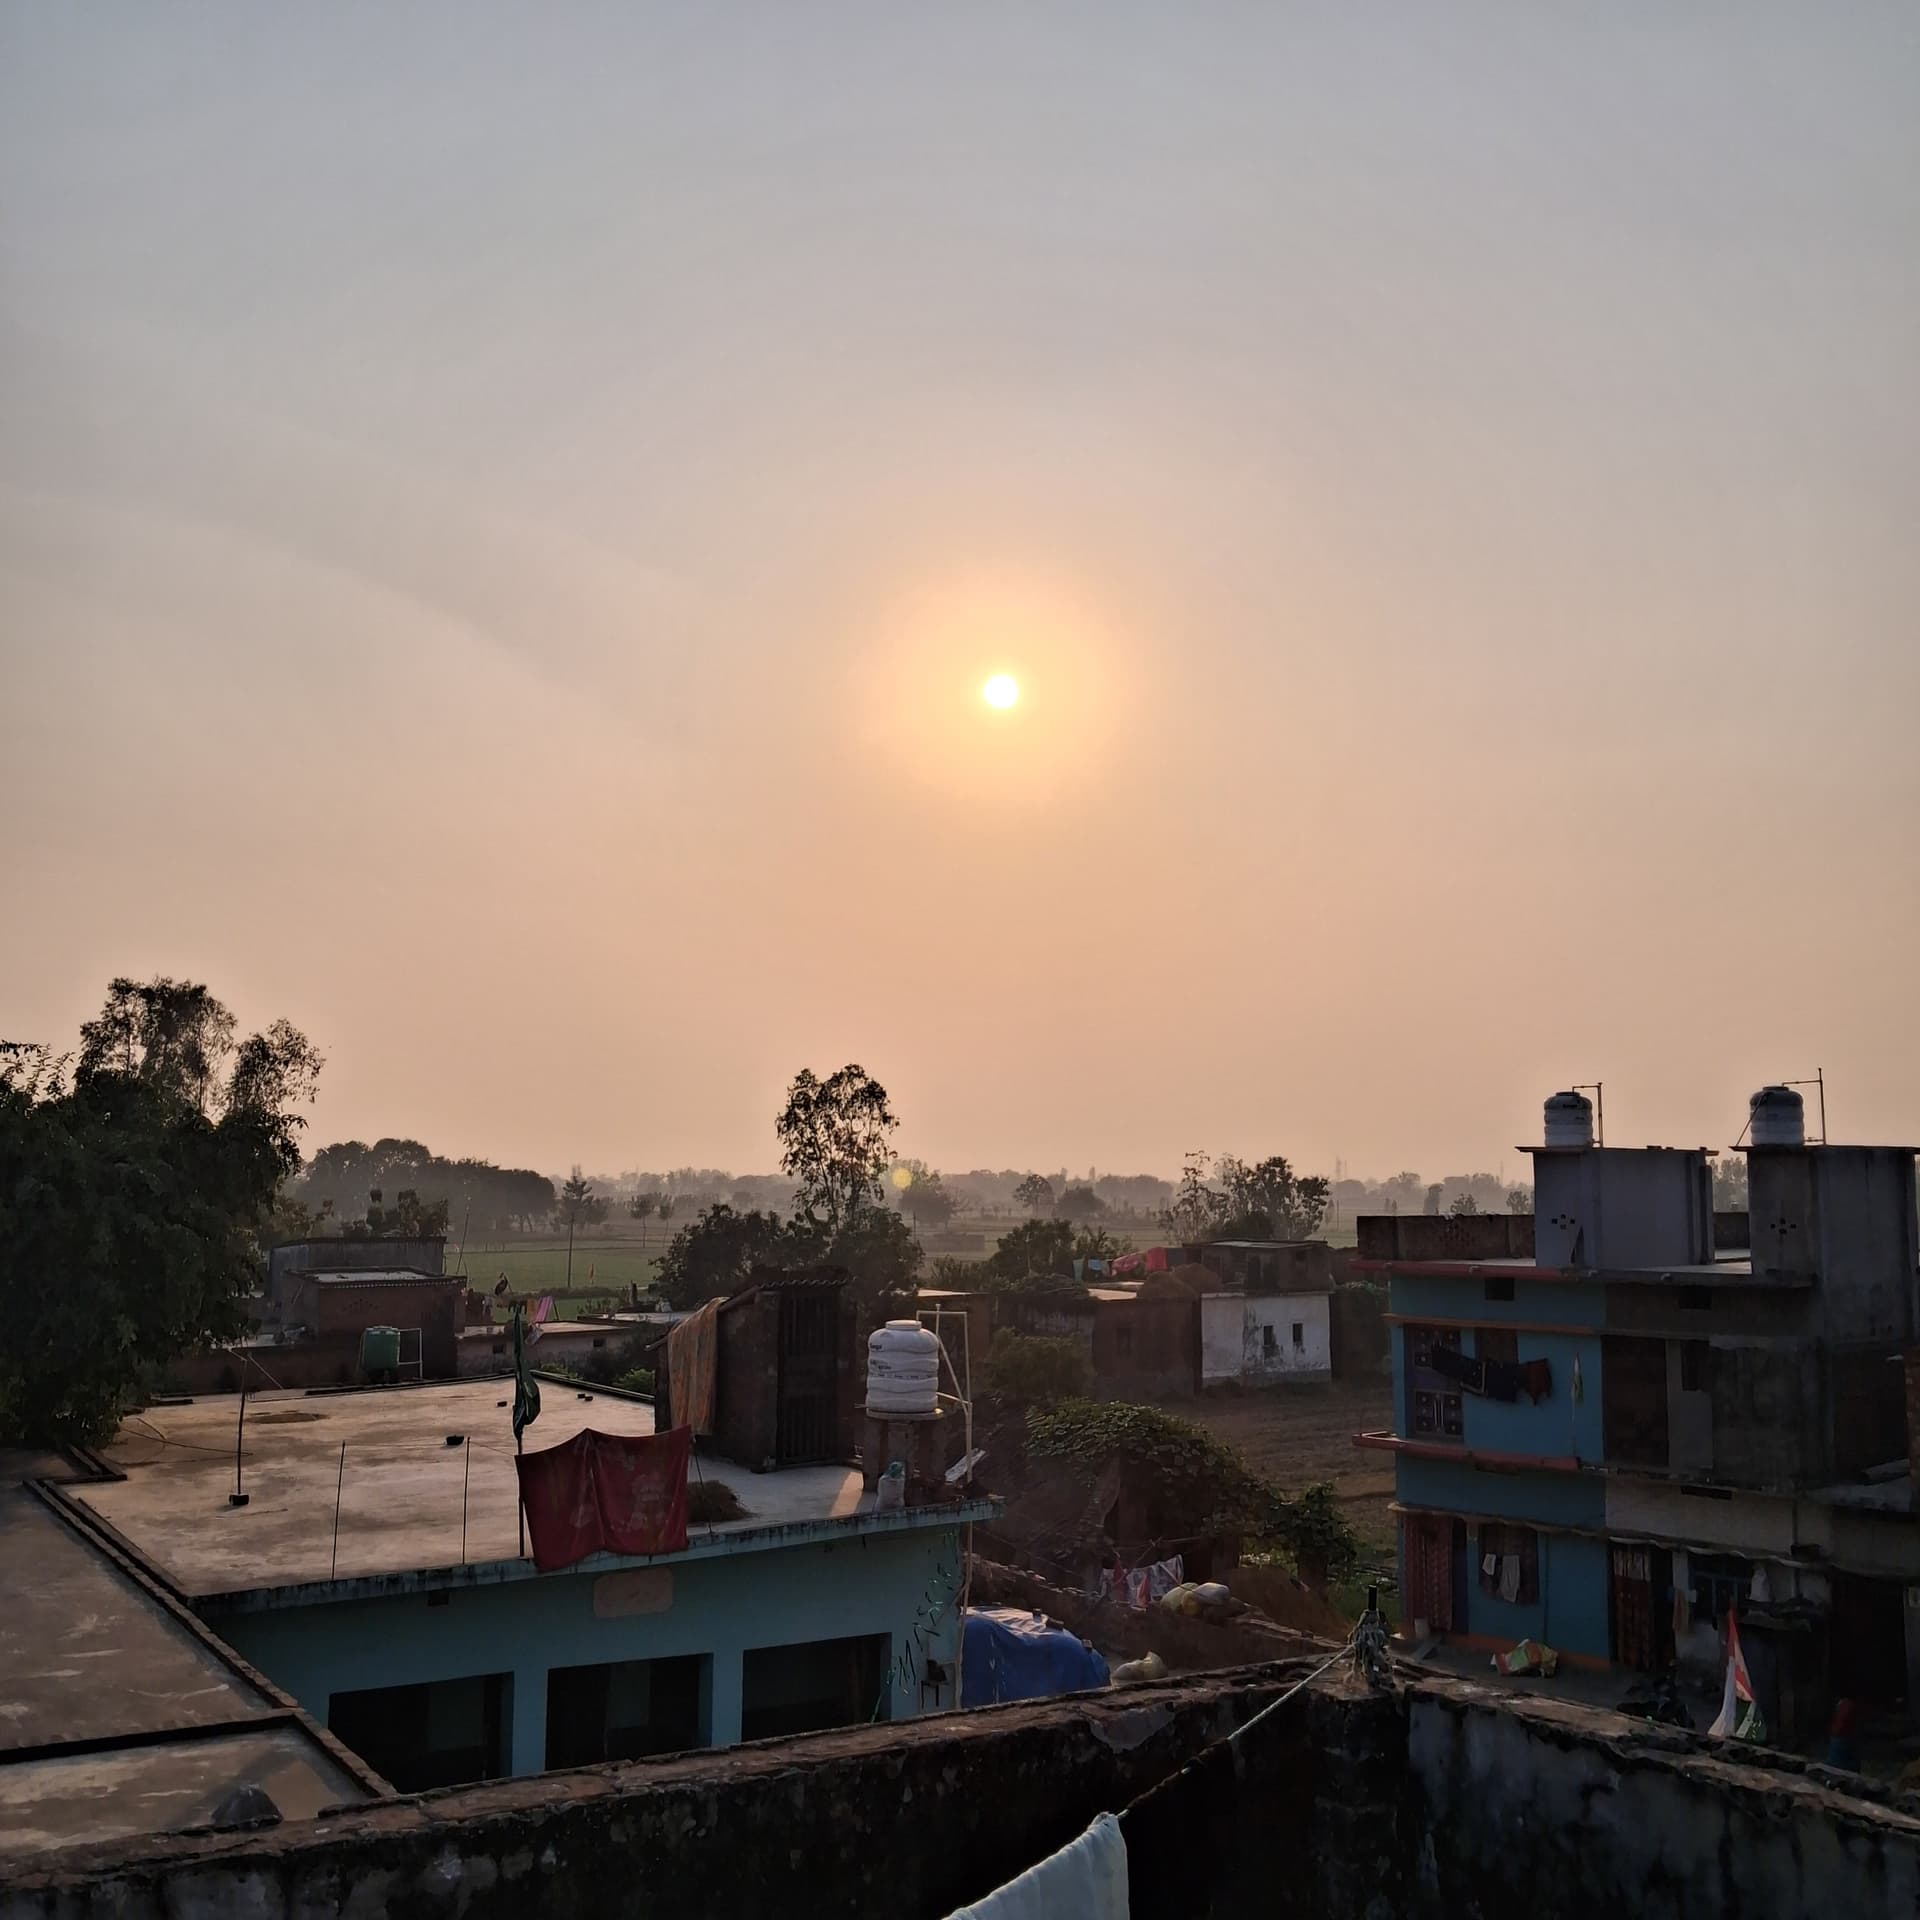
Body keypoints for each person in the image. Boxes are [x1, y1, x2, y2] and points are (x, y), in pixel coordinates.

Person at [1826, 1698, 1861, 1773]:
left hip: (1838, 1735)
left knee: (1835, 1761)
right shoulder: (1849, 1706)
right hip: (1843, 1737)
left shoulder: (1842, 1704)